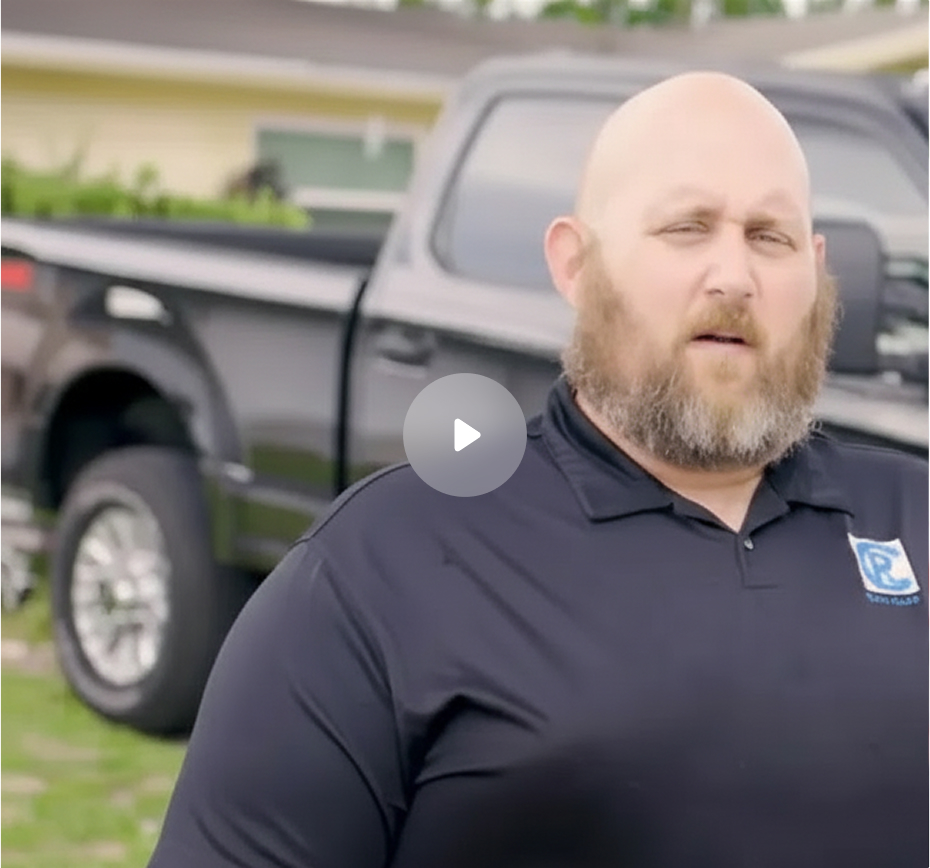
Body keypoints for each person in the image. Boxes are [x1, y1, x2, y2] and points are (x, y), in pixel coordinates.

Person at [147, 72, 927, 868]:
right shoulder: (382, 569)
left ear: (817, 270)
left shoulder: (914, 519)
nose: (735, 276)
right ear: (575, 264)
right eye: (687, 227)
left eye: (770, 236)